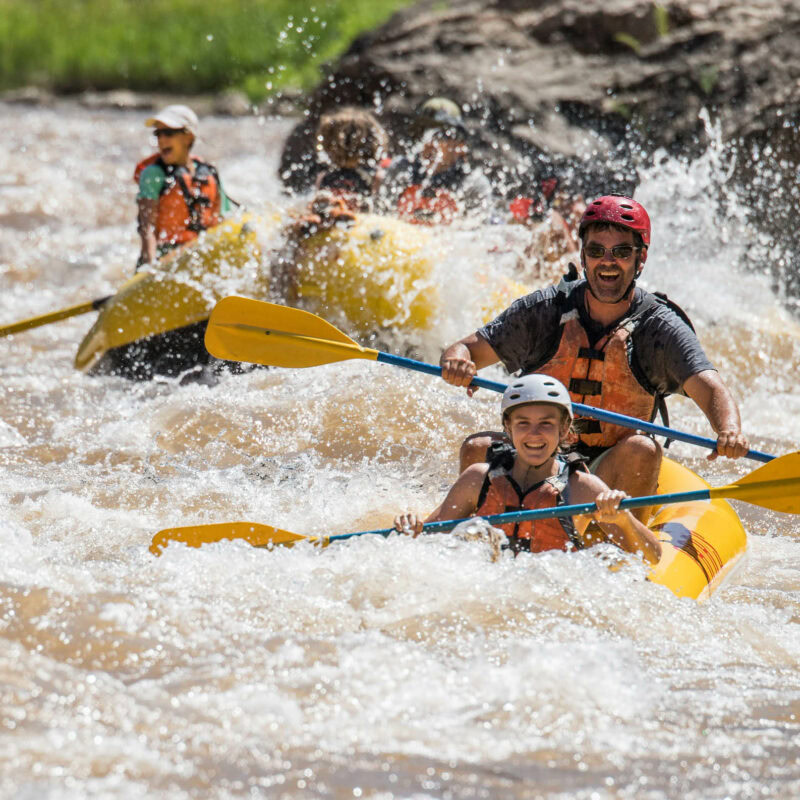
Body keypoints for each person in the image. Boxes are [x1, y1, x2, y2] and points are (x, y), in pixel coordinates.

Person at [439, 194, 750, 515]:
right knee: (477, 448)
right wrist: (457, 361)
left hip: (610, 469)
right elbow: (468, 348)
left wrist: (728, 430)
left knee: (642, 449)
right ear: (584, 256)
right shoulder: (544, 310)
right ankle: (475, 531)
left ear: (640, 259)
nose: (608, 261)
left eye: (621, 252)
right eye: (597, 251)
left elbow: (710, 387)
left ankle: (626, 549)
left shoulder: (659, 327)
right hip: (536, 456)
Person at [393, 374, 662, 564]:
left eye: (546, 423)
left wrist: (622, 520)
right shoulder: (479, 478)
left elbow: (653, 557)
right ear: (508, 429)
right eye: (523, 423)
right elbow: (430, 538)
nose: (534, 434)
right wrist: (413, 530)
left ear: (565, 430)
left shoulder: (581, 488)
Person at [134, 105, 233, 269]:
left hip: (201, 257)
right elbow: (147, 228)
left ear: (188, 137)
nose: (162, 139)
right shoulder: (154, 174)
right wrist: (150, 267)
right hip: (165, 260)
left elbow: (223, 222)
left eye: (169, 133)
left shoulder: (209, 173)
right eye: (158, 133)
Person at [379, 97, 495, 225]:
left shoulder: (472, 185)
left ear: (460, 146)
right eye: (422, 133)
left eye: (440, 136)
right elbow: (381, 218)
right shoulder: (400, 171)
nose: (430, 143)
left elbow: (481, 234)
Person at [290, 107, 389, 236]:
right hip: (358, 227)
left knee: (318, 205)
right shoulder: (376, 176)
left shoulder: (325, 176)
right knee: (322, 202)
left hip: (334, 224)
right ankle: (333, 215)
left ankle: (313, 221)